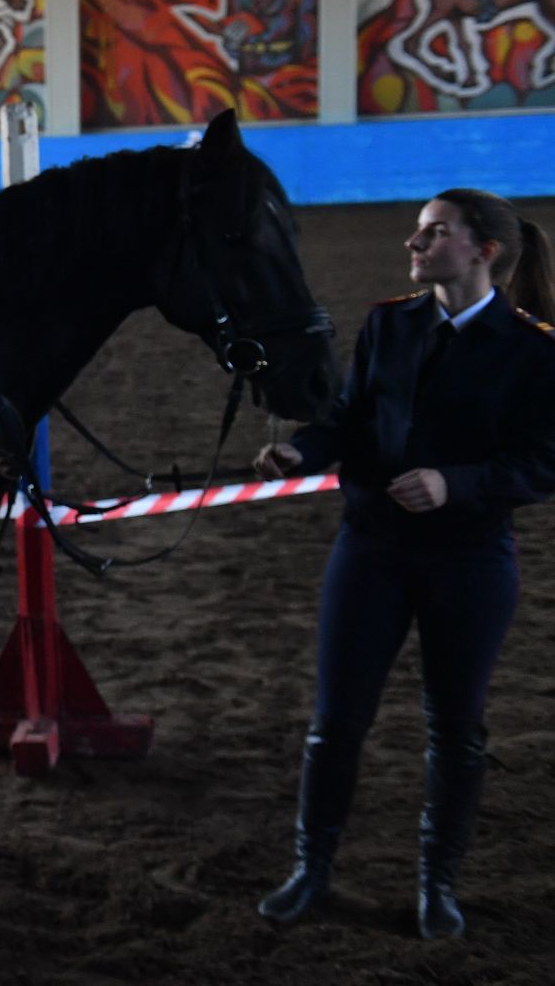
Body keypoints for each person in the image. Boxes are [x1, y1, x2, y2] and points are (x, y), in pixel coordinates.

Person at [252, 189, 555, 940]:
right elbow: (348, 418)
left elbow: (543, 463)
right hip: (371, 550)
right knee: (335, 724)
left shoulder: (534, 350)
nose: (413, 245)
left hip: (471, 562)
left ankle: (436, 885)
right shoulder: (388, 323)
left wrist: (459, 483)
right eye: (418, 232)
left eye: (433, 232)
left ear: (484, 250)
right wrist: (302, 450)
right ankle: (311, 870)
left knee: (455, 729)